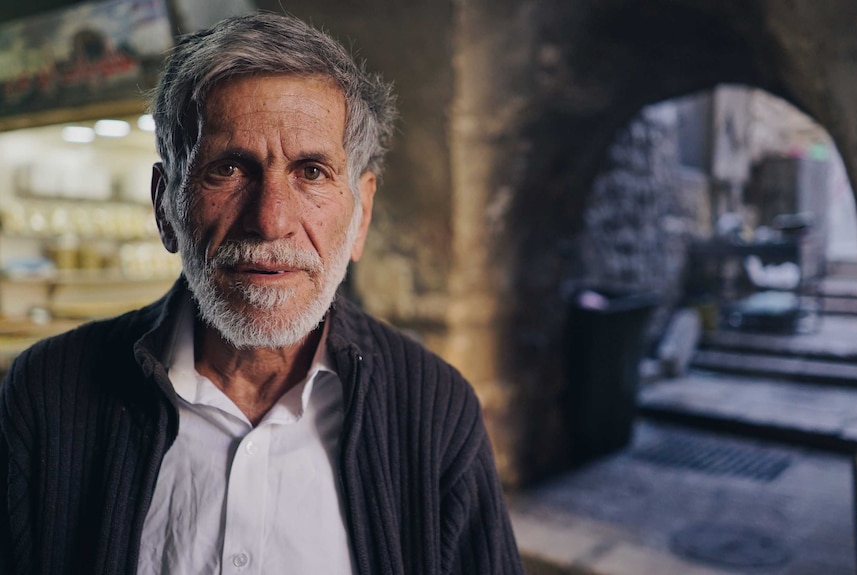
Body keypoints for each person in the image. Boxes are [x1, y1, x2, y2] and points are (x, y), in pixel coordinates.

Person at [0, 11, 524, 575]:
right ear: (165, 206)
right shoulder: (47, 393)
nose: (271, 220)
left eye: (313, 172)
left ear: (362, 212)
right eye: (228, 169)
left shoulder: (435, 412)